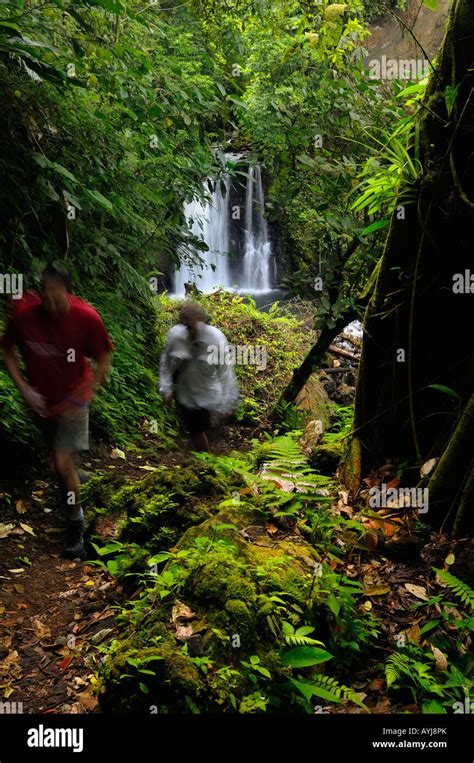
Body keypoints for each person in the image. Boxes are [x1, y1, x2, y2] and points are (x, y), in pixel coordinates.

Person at [1, 265, 113, 558]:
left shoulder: (85, 318)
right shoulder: (25, 315)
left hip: (75, 400)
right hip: (43, 401)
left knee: (62, 464)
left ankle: (76, 525)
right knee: (58, 466)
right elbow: (8, 351)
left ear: (68, 291)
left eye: (56, 290)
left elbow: (103, 357)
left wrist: (85, 392)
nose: (49, 297)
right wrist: (24, 388)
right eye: (45, 289)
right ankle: (79, 481)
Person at [159, 301, 240, 451]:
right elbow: (166, 363)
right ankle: (203, 461)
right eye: (185, 325)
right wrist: (166, 388)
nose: (188, 330)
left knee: (202, 432)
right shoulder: (176, 336)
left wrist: (226, 403)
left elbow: (225, 372)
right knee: (196, 432)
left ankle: (207, 458)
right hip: (187, 396)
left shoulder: (215, 339)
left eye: (191, 325)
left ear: (200, 319)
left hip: (209, 396)